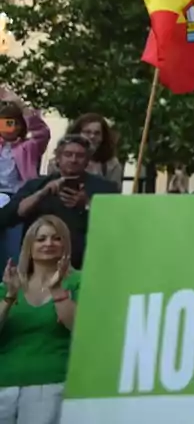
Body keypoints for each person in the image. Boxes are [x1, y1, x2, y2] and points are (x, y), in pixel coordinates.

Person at [0, 215, 79, 424]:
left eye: (56, 238)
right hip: (4, 384)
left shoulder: (78, 281)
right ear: (29, 245)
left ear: (66, 244)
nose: (49, 244)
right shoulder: (9, 284)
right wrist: (9, 297)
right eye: (41, 239)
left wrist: (57, 290)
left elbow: (80, 330)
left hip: (51, 383)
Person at [9, 136, 118, 269]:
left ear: (87, 161)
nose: (73, 160)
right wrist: (42, 193)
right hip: (40, 265)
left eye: (80, 156)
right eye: (68, 154)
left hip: (85, 264)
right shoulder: (36, 185)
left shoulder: (105, 188)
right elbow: (8, 216)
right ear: (58, 158)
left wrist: (88, 204)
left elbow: (115, 224)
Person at [0, 91, 50, 269]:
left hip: (17, 200)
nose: (8, 127)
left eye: (13, 123)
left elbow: (42, 132)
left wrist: (21, 106)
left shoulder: (29, 147)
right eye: (4, 123)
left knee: (13, 248)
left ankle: (11, 285)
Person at [66, 114, 123, 186]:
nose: (92, 136)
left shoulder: (111, 164)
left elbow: (114, 193)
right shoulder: (59, 161)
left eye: (97, 133)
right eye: (87, 132)